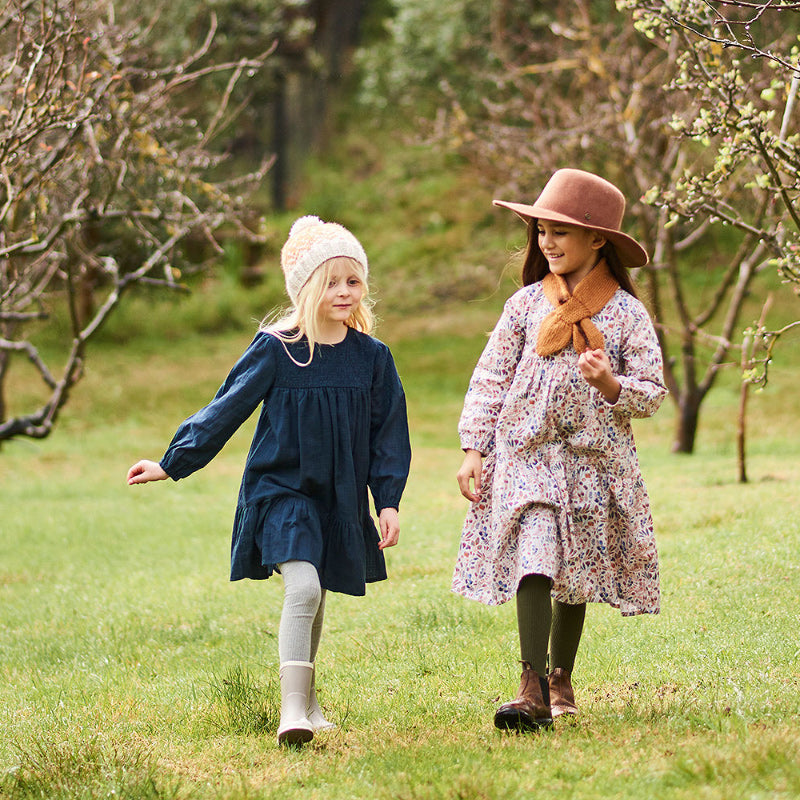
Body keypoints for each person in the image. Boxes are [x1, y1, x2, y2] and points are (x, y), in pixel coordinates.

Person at [127, 215, 411, 746]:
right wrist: (173, 461)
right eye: (331, 281)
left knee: (318, 592)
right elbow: (226, 407)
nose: (345, 292)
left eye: (353, 280)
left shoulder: (373, 359)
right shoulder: (277, 349)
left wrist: (387, 500)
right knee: (303, 586)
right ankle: (292, 714)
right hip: (280, 492)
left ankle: (307, 701)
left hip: (340, 497)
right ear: (305, 287)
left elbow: (387, 432)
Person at [454, 169, 667, 732]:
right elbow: (490, 379)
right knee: (537, 554)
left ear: (598, 240)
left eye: (560, 232)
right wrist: (474, 447)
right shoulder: (525, 306)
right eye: (541, 231)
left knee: (576, 569)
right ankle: (530, 686)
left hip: (591, 461)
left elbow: (652, 393)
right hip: (526, 454)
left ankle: (559, 677)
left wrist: (612, 387)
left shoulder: (624, 314)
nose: (546, 242)